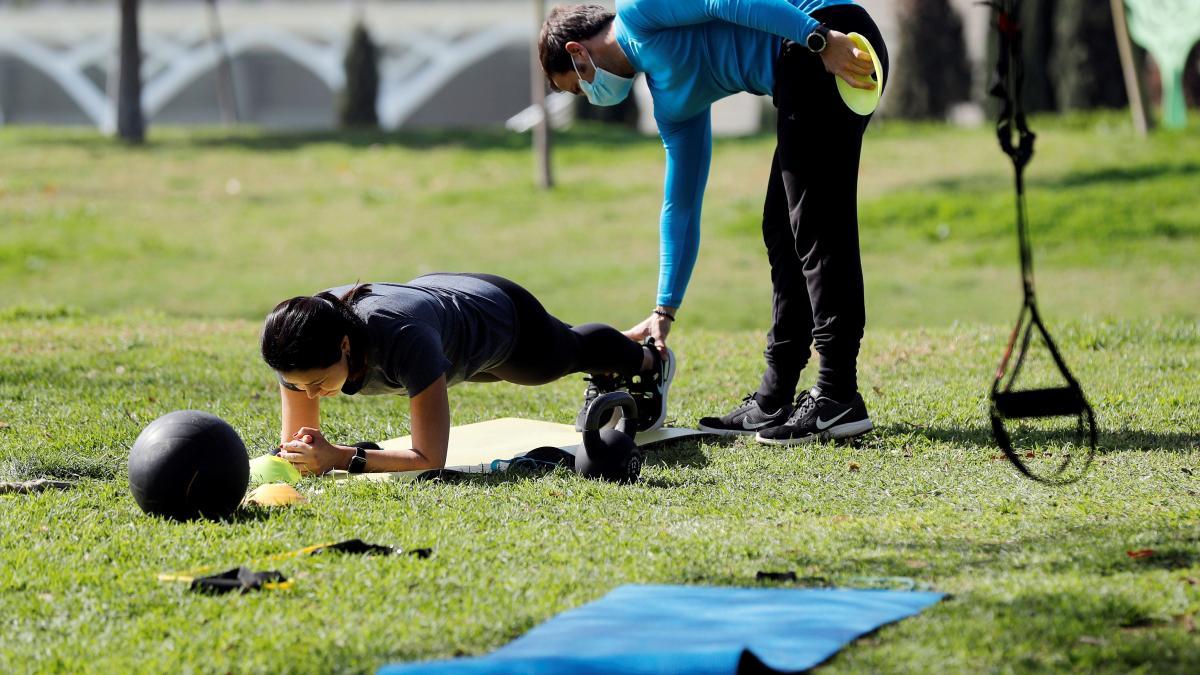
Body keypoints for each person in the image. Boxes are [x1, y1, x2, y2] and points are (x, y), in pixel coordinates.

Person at [538, 1, 887, 445]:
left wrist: (818, 38)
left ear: (577, 51)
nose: (590, 95)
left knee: (817, 224)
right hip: (801, 65)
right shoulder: (669, 99)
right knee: (782, 232)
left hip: (830, 37)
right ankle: (774, 396)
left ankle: (838, 395)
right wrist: (663, 311)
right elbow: (680, 206)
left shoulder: (639, 12)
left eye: (577, 85)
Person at [260, 273, 674, 475]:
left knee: (567, 353)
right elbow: (295, 445)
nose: (308, 395)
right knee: (566, 346)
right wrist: (303, 454)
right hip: (441, 316)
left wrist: (338, 457)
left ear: (345, 346)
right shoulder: (294, 341)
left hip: (497, 319)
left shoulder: (403, 339)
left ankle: (650, 362)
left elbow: (428, 458)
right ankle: (621, 357)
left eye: (316, 384)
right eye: (297, 386)